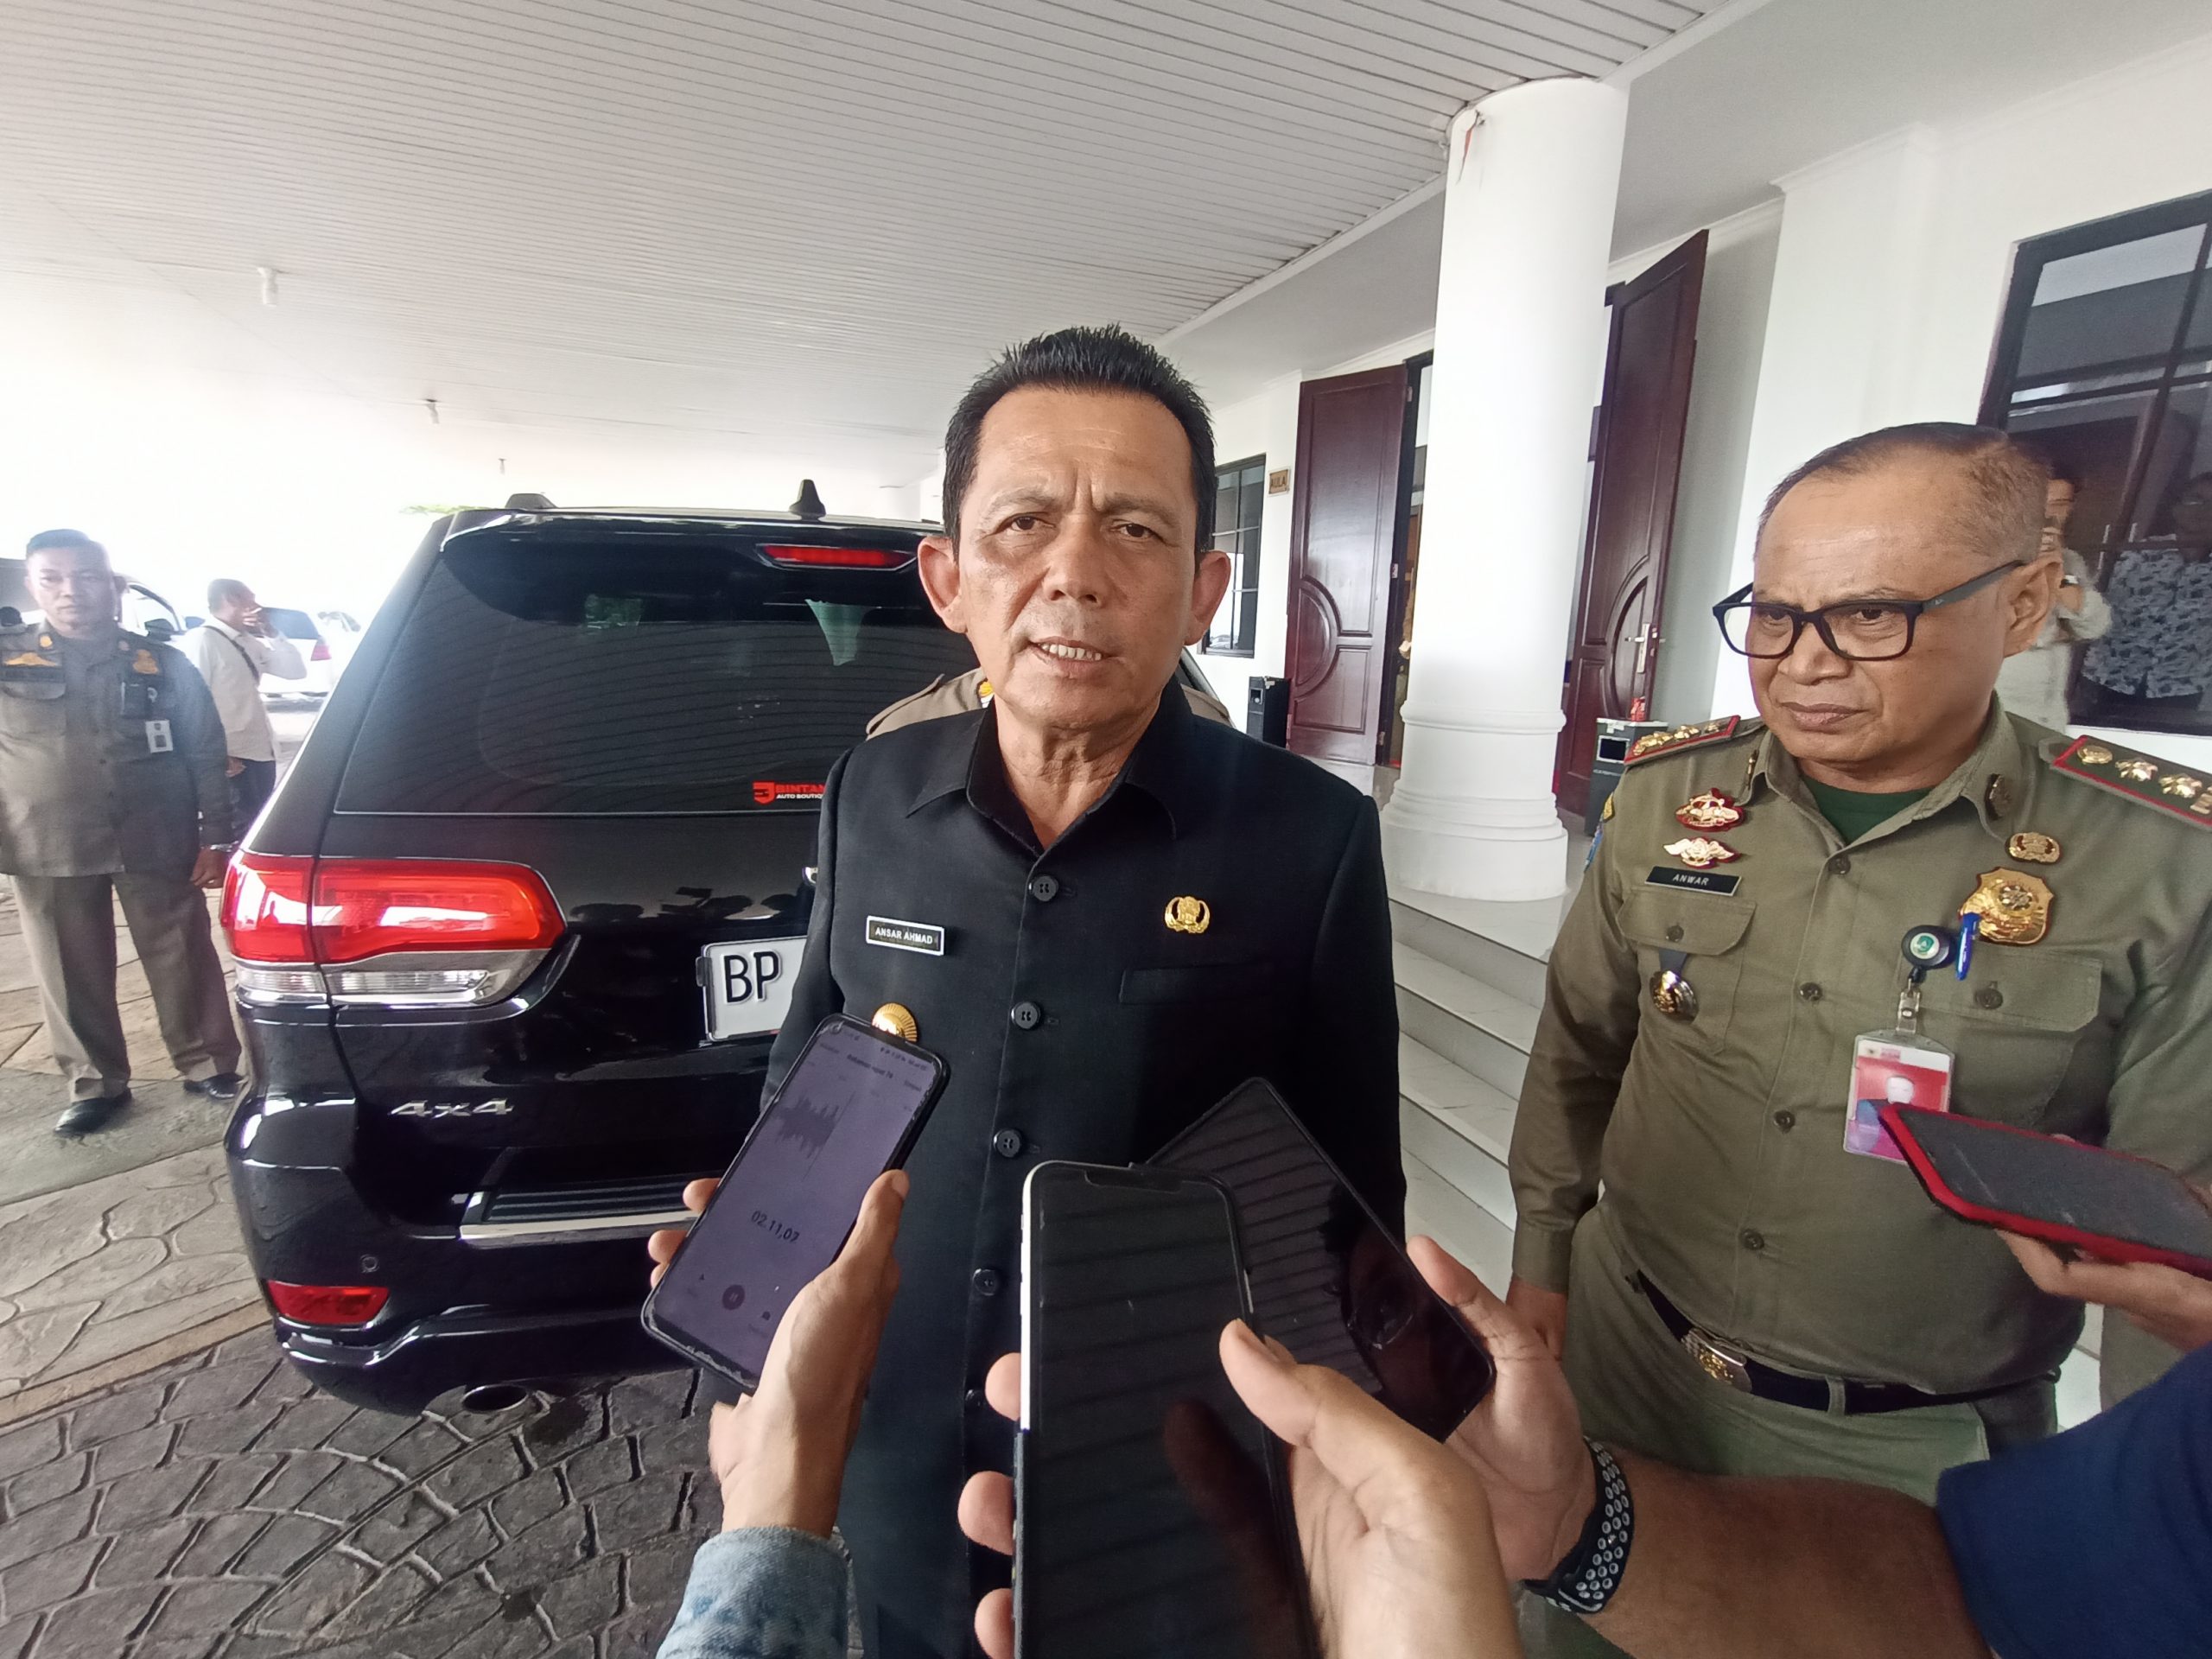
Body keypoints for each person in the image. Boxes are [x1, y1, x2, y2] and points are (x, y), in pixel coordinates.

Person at [1507, 423, 2212, 1651]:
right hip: (1630, 1358)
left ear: (2025, 603)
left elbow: (2171, 1243)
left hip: (1912, 1448)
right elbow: (1581, 1045)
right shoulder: (1672, 796)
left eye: (1870, 616)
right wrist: (1543, 1257)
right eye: (1775, 617)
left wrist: (2140, 1540)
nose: (1803, 665)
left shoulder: (2160, 868)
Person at [766, 323, 1402, 1658]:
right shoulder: (870, 791)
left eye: (1135, 529)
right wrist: (757, 1276)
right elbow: (809, 1077)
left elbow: (1351, 1197)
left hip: (1161, 1475)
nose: (1074, 571)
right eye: (1022, 524)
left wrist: (1334, 1462)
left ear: (1205, 587)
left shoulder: (1312, 840)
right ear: (948, 577)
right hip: (897, 1448)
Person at [3, 531, 241, 1134]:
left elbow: (205, 751)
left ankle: (208, 1064)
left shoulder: (163, 662)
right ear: (32, 586)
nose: (71, 590)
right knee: (67, 966)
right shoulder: (6, 659)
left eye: (86, 576)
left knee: (181, 952)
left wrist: (216, 837)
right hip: (46, 840)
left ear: (112, 584)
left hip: (155, 833)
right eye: (52, 578)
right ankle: (95, 1083)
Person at [2079, 468, 2212, 720]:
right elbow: (2089, 606)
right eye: (2196, 500)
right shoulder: (2136, 554)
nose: (2202, 512)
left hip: (2177, 691)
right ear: (2176, 508)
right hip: (2106, 680)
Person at [1992, 454, 2110, 728]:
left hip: (2050, 710)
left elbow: (2095, 626)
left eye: (2060, 505)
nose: (2049, 514)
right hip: (2000, 705)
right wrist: (2055, 633)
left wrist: (2057, 569)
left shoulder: (2070, 561)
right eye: (2041, 503)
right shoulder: (1986, 559)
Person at [188, 578, 306, 838]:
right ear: (232, 600)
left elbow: (295, 670)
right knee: (237, 830)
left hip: (261, 752)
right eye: (251, 599)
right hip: (233, 757)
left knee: (257, 825)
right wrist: (217, 753)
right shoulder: (203, 640)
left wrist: (270, 631)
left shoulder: (247, 642)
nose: (257, 606)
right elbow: (192, 701)